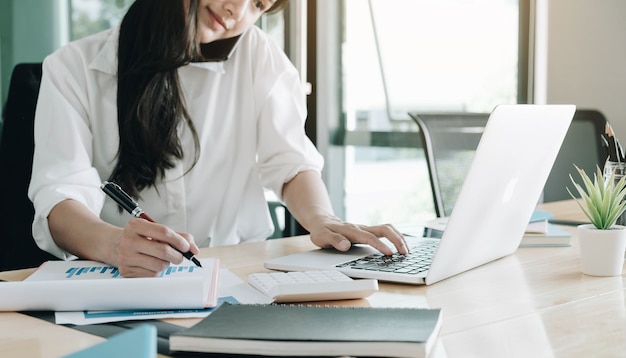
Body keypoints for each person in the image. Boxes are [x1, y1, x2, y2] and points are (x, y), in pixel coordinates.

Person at [28, 0, 408, 278]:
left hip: (239, 275)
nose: (237, 11)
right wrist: (114, 245)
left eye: (258, 4)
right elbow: (60, 199)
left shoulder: (258, 55)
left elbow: (290, 162)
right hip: (121, 279)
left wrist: (322, 218)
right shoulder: (70, 69)